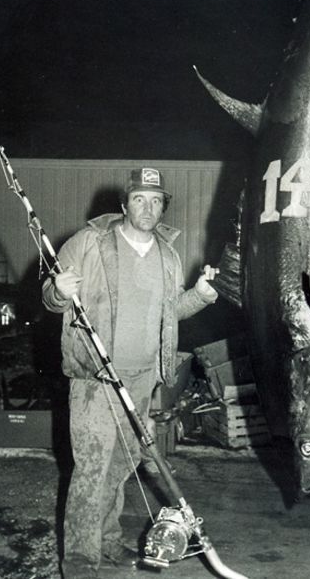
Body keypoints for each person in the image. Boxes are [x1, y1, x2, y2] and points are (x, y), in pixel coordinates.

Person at [42, 167, 219, 578]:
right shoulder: (88, 242)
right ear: (124, 204)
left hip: (143, 378)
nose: (148, 207)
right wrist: (58, 291)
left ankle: (105, 541)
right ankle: (82, 561)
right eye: (139, 198)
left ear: (163, 207)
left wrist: (202, 297)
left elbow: (170, 312)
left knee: (121, 465)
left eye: (156, 200)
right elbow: (52, 298)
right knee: (91, 467)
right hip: (95, 378)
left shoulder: (168, 254)